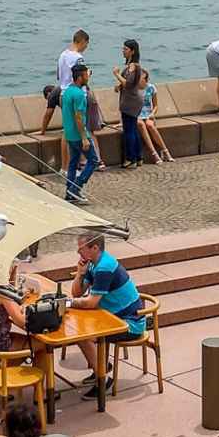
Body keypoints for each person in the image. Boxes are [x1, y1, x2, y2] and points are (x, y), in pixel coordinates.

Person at [69, 234, 149, 399]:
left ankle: (102, 378)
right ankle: (100, 367)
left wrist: (69, 303)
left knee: (83, 336)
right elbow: (77, 292)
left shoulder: (105, 266)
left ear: (95, 248)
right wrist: (80, 273)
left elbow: (91, 302)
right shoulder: (93, 265)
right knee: (83, 331)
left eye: (80, 249)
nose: (78, 253)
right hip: (112, 317)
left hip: (129, 324)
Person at [61, 62, 99, 206]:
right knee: (93, 160)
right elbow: (78, 117)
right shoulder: (78, 94)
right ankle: (76, 188)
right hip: (79, 134)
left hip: (69, 134)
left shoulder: (67, 91)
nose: (88, 77)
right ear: (80, 77)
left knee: (73, 162)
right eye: (86, 75)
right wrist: (84, 138)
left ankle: (69, 192)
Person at [39, 30, 90, 133]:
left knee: (68, 130)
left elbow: (58, 76)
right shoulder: (78, 57)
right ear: (83, 41)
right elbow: (82, 78)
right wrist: (88, 73)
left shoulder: (62, 55)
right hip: (76, 95)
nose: (86, 47)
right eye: (87, 44)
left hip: (63, 94)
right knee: (79, 129)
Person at [111, 39, 145, 168]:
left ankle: (131, 159)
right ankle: (138, 156)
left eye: (125, 49)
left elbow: (129, 84)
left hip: (131, 101)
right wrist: (119, 85)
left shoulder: (133, 66)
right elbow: (129, 83)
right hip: (133, 100)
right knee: (133, 129)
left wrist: (117, 74)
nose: (123, 51)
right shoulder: (133, 66)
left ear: (132, 51)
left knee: (129, 130)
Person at [136, 68, 173, 163]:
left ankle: (165, 151)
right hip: (137, 115)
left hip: (148, 114)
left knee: (150, 125)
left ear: (146, 79)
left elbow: (156, 105)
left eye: (142, 78)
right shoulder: (133, 89)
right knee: (141, 125)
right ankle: (154, 153)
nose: (140, 80)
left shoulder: (151, 88)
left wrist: (152, 114)